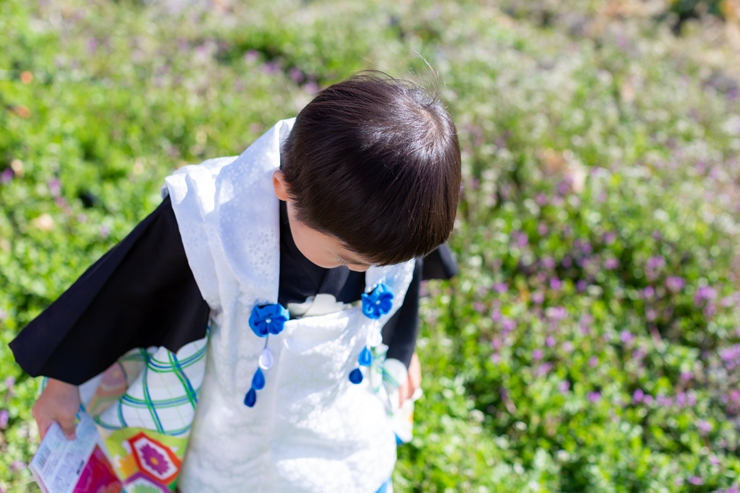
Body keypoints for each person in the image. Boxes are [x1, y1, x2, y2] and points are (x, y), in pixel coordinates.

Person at [10, 72, 461, 492]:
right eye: (347, 257)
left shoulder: (396, 211)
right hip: (237, 421)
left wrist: (402, 349)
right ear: (284, 188)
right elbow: (122, 296)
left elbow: (397, 280)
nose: (362, 271)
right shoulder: (210, 222)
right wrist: (63, 385)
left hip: (336, 412)